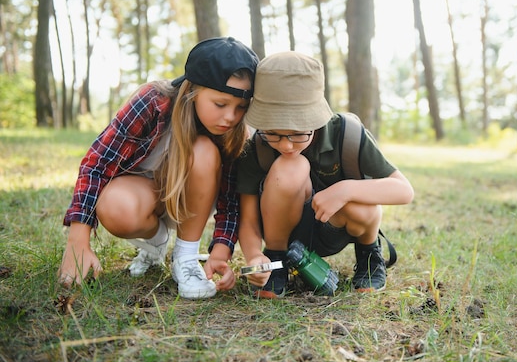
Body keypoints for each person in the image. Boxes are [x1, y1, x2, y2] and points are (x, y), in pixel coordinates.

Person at [58, 37, 259, 300]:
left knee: (204, 151)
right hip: (143, 198)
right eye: (220, 104)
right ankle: (156, 242)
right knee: (115, 207)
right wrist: (77, 243)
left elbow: (232, 202)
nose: (230, 117)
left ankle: (185, 258)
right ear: (192, 91)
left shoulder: (237, 133)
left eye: (240, 108)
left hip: (193, 204)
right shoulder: (153, 102)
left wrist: (221, 251)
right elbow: (97, 163)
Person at [236, 51, 414, 298]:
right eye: (273, 133)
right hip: (283, 231)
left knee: (365, 206)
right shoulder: (257, 146)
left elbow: (404, 190)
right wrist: (255, 254)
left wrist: (346, 189)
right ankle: (277, 263)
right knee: (291, 166)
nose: (286, 145)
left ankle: (369, 255)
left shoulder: (347, 135)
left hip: (336, 226)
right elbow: (247, 218)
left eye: (298, 133)